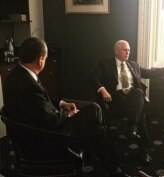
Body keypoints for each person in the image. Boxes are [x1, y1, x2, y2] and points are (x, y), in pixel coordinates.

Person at [3, 37, 130, 177]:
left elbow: (42, 99)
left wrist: (62, 104)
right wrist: (69, 115)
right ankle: (111, 163)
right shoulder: (28, 83)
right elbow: (50, 119)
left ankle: (110, 162)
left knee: (97, 128)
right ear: (40, 60)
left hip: (34, 130)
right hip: (47, 137)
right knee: (94, 110)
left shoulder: (18, 74)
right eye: (45, 58)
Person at [92, 40, 164, 162]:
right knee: (141, 114)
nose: (128, 52)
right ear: (117, 51)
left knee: (138, 94)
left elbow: (151, 73)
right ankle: (134, 131)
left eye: (129, 50)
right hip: (115, 99)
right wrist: (103, 90)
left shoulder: (134, 65)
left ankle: (139, 142)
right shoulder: (105, 64)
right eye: (125, 50)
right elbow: (94, 78)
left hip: (133, 99)